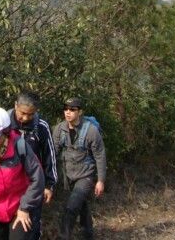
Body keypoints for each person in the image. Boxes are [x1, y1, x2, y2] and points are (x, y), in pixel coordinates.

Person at [0, 106, 45, 240]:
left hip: (18, 210)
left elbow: (37, 178)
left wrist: (25, 208)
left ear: (6, 132)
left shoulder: (20, 146)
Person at [53, 97, 106, 240]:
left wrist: (100, 180)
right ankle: (88, 234)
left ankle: (63, 237)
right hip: (68, 176)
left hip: (85, 176)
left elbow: (100, 156)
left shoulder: (91, 131)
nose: (68, 112)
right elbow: (53, 153)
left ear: (80, 112)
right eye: (65, 109)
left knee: (71, 207)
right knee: (81, 205)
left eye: (72, 109)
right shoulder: (59, 129)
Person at [8, 91, 58, 240]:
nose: (25, 118)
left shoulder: (41, 127)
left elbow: (50, 155)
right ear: (15, 105)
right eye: (22, 113)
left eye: (30, 114)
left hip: (33, 185)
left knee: (30, 225)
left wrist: (49, 184)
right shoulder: (4, 124)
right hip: (9, 185)